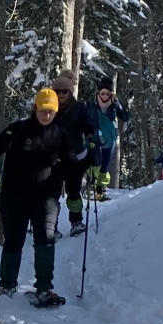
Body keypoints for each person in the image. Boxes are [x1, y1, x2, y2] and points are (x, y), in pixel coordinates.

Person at [0, 87, 88, 307]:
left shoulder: (61, 135)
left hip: (46, 198)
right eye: (43, 110)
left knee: (46, 240)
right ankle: (7, 285)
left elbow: (72, 166)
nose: (46, 114)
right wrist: (5, 141)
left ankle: (44, 288)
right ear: (35, 108)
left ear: (56, 111)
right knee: (14, 240)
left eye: (51, 111)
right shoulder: (18, 129)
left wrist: (88, 159)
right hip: (14, 196)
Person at [51, 69, 100, 236]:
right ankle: (51, 226)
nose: (60, 94)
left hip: (75, 157)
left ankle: (76, 221)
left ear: (70, 92)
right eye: (57, 91)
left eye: (64, 91)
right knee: (52, 194)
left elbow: (88, 126)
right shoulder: (50, 107)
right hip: (55, 158)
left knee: (73, 192)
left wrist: (91, 137)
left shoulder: (79, 107)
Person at [86, 76, 129, 199]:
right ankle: (91, 186)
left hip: (109, 138)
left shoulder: (114, 104)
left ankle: (100, 191)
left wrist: (121, 111)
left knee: (104, 166)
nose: (105, 96)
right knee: (96, 163)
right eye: (102, 93)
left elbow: (124, 116)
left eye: (107, 94)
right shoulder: (91, 104)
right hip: (95, 138)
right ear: (98, 92)